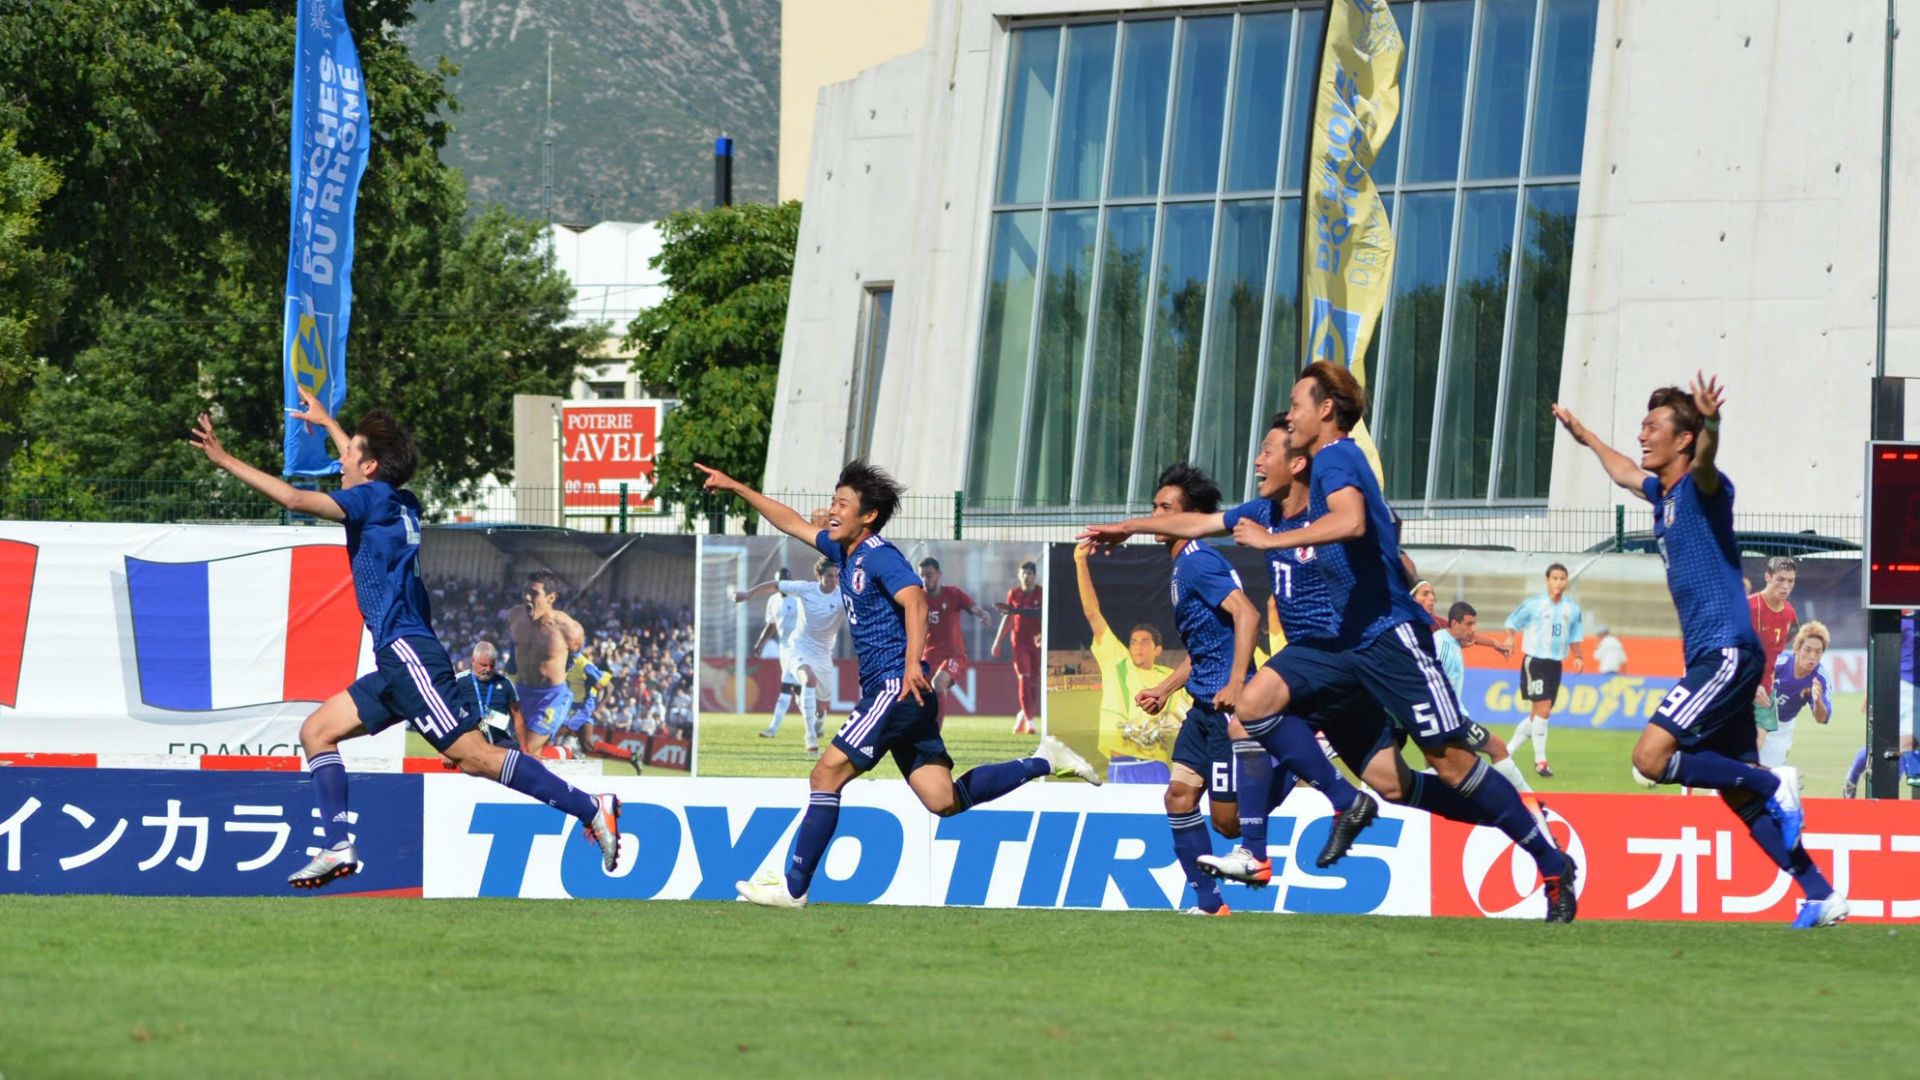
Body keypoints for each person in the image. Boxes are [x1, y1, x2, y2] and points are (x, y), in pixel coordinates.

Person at [1122, 365, 1576, 920]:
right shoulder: (1274, 504)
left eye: (1293, 409)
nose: (1286, 420)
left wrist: (1275, 539)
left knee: (1454, 767)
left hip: (1389, 640)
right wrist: (1117, 529)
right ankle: (1284, 837)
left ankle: (1542, 850)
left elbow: (1356, 521)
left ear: (1324, 415)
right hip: (1337, 650)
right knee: (1285, 726)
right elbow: (1199, 523)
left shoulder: (1336, 457)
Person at [189, 388, 620, 887]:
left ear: (369, 467)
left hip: (408, 653)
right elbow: (363, 465)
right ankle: (337, 846)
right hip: (397, 661)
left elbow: (293, 498)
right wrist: (330, 422)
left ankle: (590, 807)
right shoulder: (398, 498)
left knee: (475, 757)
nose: (340, 459)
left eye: (347, 452)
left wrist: (224, 460)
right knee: (317, 732)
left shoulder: (368, 498)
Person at [696, 458, 1100, 909]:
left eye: (841, 503)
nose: (831, 510)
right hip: (905, 693)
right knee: (943, 799)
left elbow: (916, 601)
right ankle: (1044, 760)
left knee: (824, 773)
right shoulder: (842, 549)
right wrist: (735, 486)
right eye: (833, 500)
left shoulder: (880, 556)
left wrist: (911, 666)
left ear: (867, 515)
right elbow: (789, 521)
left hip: (896, 687)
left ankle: (793, 887)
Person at [1554, 373, 1844, 927]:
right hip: (1716, 655)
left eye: (1653, 426)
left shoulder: (1703, 489)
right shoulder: (1661, 495)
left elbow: (1708, 462)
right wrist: (1585, 435)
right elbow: (1622, 472)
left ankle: (1773, 780)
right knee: (1740, 799)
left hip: (1727, 651)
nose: (1642, 434)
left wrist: (1711, 422)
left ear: (1682, 439)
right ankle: (1820, 892)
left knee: (1650, 759)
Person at [1080, 431, 1382, 892]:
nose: (1158, 515)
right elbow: (1206, 646)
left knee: (1228, 824)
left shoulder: (1199, 561)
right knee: (1178, 796)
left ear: (1191, 518)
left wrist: (1239, 680)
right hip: (1201, 709)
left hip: (1227, 709)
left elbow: (1247, 613)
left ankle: (1300, 752)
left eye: (1167, 509)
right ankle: (1207, 904)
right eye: (1156, 506)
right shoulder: (1182, 564)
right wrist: (1166, 688)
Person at [1072, 543, 1191, 784]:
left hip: (1157, 765)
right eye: (1133, 642)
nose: (1137, 646)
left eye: (1145, 642)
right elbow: (1092, 612)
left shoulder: (1169, 677)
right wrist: (1080, 561)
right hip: (1122, 762)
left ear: (1158, 650)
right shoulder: (1116, 661)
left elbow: (1186, 711)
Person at [1434, 600, 1550, 832]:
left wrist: (1496, 643)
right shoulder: (1442, 647)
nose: (1473, 629)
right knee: (1496, 747)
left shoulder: (1453, 639)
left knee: (1452, 771)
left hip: (1448, 719)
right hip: (1451, 720)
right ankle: (1528, 803)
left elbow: (1473, 639)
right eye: (1469, 624)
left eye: (1475, 624)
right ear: (1454, 623)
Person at [733, 557, 846, 756]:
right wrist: (747, 594)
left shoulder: (843, 596)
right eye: (829, 576)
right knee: (807, 680)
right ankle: (810, 737)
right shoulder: (805, 589)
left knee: (822, 705)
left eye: (836, 576)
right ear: (819, 576)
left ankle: (819, 721)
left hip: (823, 655)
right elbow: (774, 585)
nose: (833, 580)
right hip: (798, 648)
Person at [1504, 563, 1585, 778]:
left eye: (1562, 578)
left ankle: (1506, 753)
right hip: (1536, 661)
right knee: (1544, 708)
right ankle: (1540, 761)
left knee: (1537, 714)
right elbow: (1513, 621)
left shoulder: (1572, 609)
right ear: (1547, 580)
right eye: (1555, 578)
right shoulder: (1534, 605)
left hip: (1555, 664)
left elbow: (1575, 634)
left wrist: (1578, 656)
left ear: (1567, 581)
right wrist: (1510, 638)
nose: (1559, 582)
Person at [505, 570, 587, 756]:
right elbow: (514, 644)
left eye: (534, 593)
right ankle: (566, 751)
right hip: (521, 693)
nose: (526, 597)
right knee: (508, 751)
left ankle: (564, 752)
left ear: (551, 598)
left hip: (551, 697)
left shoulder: (568, 629)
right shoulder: (514, 616)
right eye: (525, 591)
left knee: (524, 752)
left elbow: (576, 657)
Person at [734, 568, 809, 743]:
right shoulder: (773, 601)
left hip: (799, 647)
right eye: (779, 581)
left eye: (784, 580)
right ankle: (815, 725)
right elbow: (772, 624)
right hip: (784, 648)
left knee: (786, 686)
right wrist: (760, 642)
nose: (781, 585)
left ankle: (772, 728)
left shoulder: (799, 599)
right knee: (797, 691)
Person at [918, 557, 996, 707]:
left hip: (954, 655)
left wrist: (983, 614)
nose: (925, 580)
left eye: (929, 575)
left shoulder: (953, 593)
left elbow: (973, 608)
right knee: (922, 695)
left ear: (939, 574)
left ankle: (935, 730)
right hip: (929, 656)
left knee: (939, 682)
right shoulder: (919, 598)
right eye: (922, 575)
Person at [1748, 557, 1799, 759]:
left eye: (1791, 581)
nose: (1786, 586)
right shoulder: (1749, 607)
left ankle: (1734, 785)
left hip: (1765, 690)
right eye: (1780, 580)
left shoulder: (1789, 612)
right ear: (1767, 577)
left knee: (1756, 746)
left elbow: (1787, 637)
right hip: (1740, 685)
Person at [1762, 621, 1831, 769]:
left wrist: (1817, 700)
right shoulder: (1779, 663)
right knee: (1739, 768)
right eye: (1807, 649)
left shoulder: (1820, 678)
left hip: (1781, 728)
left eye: (1818, 652)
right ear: (1797, 648)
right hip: (1755, 717)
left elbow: (1822, 719)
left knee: (1768, 775)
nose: (1812, 656)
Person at [991, 559, 1044, 736]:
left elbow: (1046, 617)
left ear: (1035, 576)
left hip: (1037, 642)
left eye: (1029, 573)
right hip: (1019, 643)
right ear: (1019, 575)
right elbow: (1008, 618)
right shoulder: (1013, 594)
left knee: (1035, 682)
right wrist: (998, 640)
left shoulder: (1042, 593)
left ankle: (1023, 713)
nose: (1026, 576)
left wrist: (1044, 634)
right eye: (1023, 573)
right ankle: (1030, 721)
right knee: (1025, 678)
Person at [465, 640, 525, 749]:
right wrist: (444, 751)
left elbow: (517, 716)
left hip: (500, 742)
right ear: (473, 660)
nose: (488, 669)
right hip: (469, 745)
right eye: (483, 665)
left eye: (491, 666)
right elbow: (445, 712)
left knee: (518, 755)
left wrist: (524, 748)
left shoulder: (505, 683)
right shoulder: (459, 682)